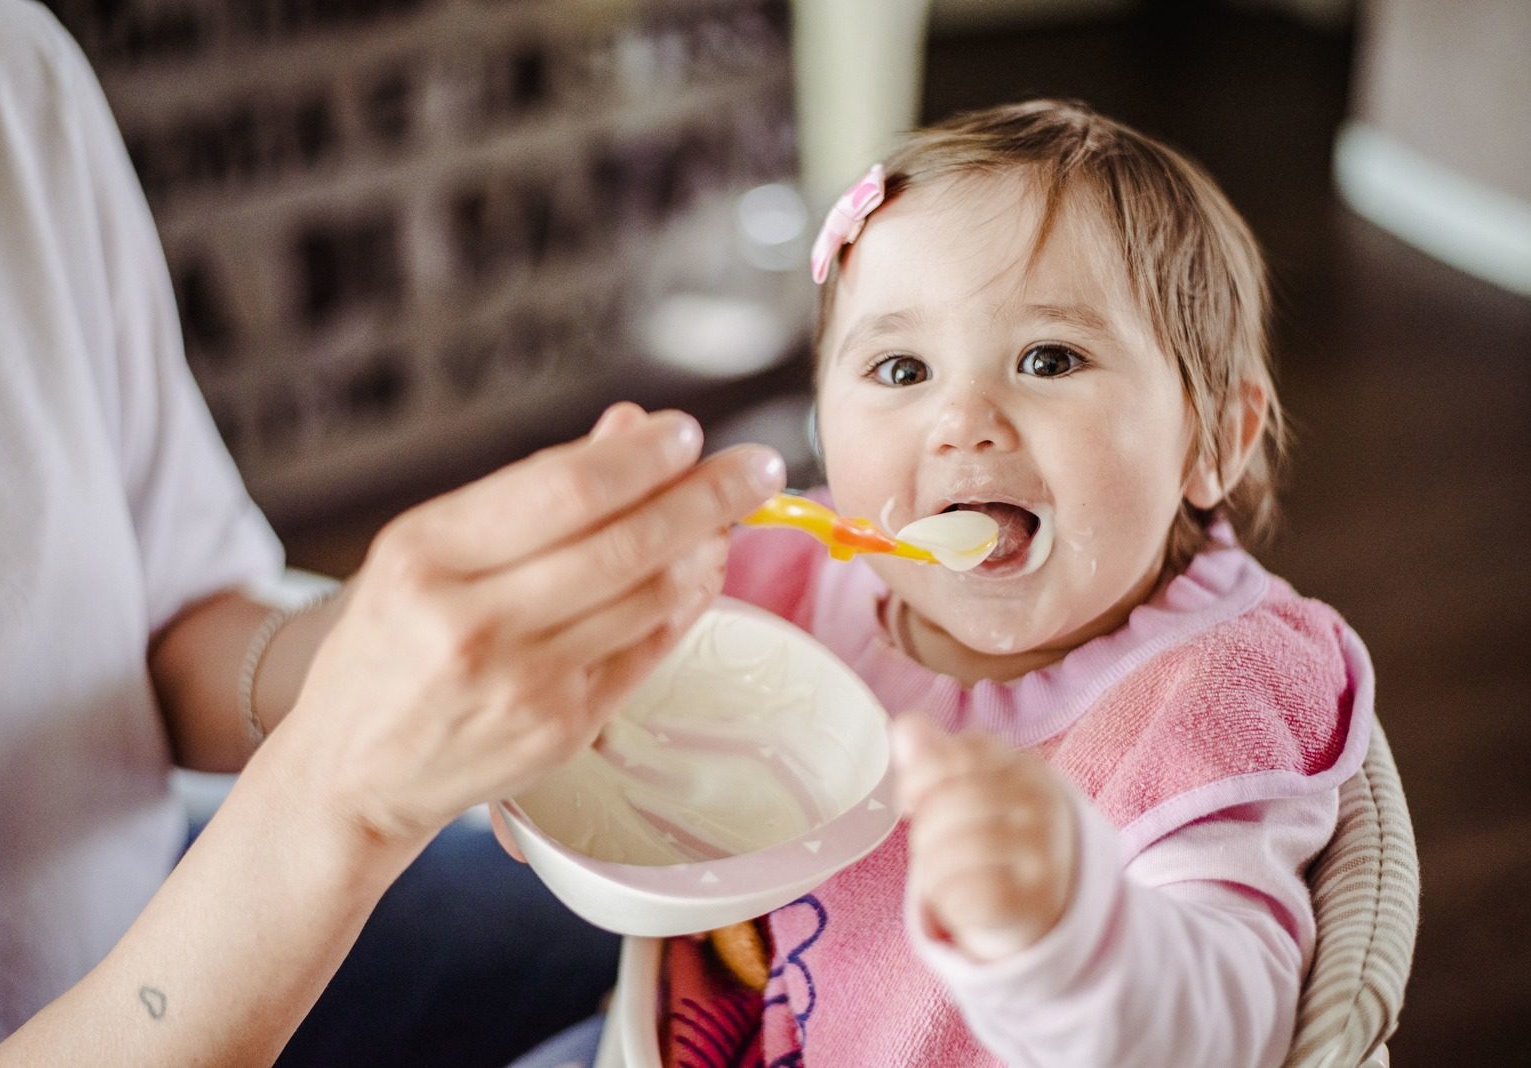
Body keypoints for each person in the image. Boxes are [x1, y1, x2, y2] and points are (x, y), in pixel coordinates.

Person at [0, 2, 786, 1065]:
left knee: (732, 965)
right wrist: (346, 790)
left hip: (167, 881)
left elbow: (174, 628)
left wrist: (410, 655)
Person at [513, 99, 1376, 1067]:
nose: (961, 419)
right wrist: (594, 587)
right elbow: (584, 697)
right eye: (900, 367)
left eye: (1048, 359)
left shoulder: (1205, 696)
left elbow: (1236, 1026)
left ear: (1215, 439)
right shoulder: (779, 581)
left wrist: (1072, 932)